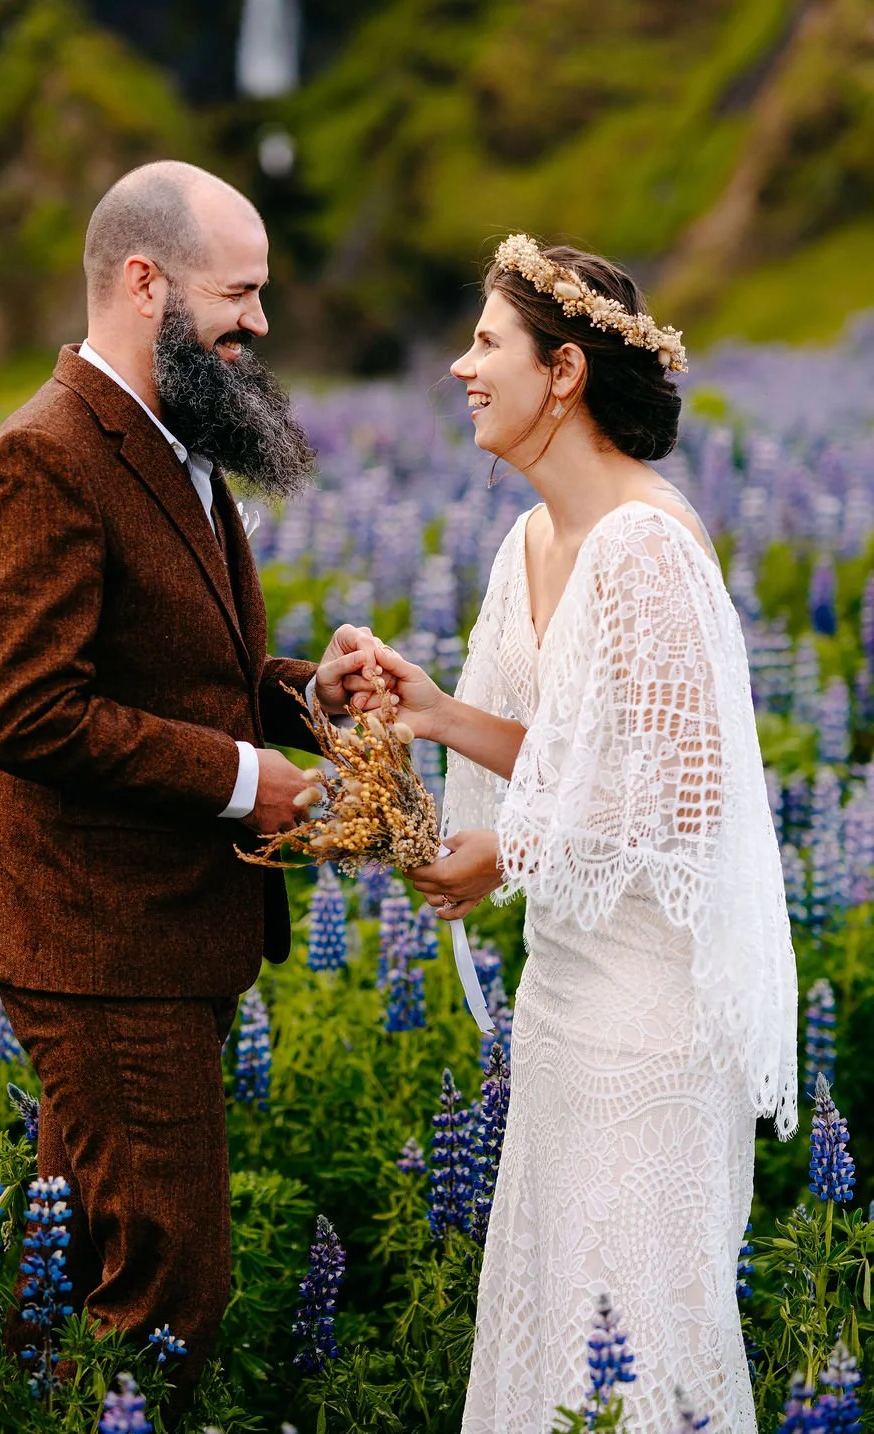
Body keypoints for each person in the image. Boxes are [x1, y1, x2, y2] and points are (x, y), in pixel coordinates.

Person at [0, 160, 381, 1413]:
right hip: (99, 942)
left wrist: (306, 698)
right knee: (171, 1288)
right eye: (236, 294)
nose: (257, 323)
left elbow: (176, 669)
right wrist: (255, 781)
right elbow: (30, 714)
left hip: (149, 932)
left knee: (83, 1260)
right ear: (146, 282)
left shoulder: (169, 440)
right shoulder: (46, 458)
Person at [376, 235, 798, 1432]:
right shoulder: (530, 543)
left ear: (562, 372)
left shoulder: (645, 546)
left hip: (649, 1020)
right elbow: (576, 756)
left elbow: (688, 791)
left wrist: (504, 851)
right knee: (560, 1322)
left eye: (485, 344)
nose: (461, 367)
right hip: (565, 1001)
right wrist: (437, 713)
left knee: (630, 1327)